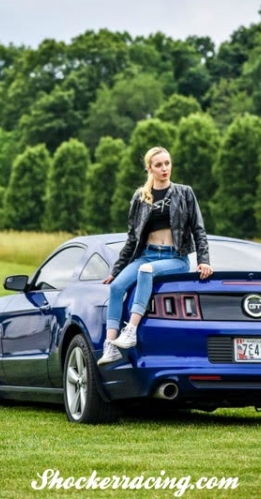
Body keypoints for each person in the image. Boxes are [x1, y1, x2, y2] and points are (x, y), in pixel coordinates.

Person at [97, 146, 213, 366]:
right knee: (116, 288)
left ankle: (130, 330)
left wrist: (204, 261)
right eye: (159, 165)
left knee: (145, 271)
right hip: (147, 255)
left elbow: (199, 229)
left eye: (167, 163)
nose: (164, 168)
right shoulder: (141, 197)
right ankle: (110, 346)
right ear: (149, 168)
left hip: (175, 258)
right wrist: (117, 270)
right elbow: (132, 238)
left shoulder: (185, 193)